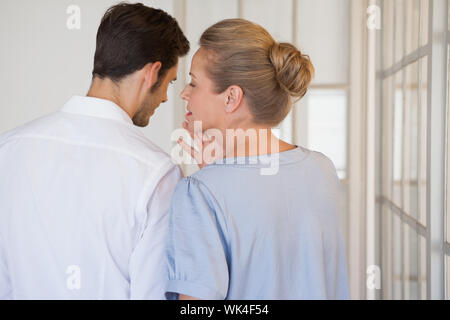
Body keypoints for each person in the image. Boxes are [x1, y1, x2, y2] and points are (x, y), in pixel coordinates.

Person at [0, 3, 189, 299]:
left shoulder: (9, 149)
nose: (166, 97)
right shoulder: (158, 173)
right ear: (152, 73)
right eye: (170, 82)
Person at [166, 18, 349, 300]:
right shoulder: (322, 169)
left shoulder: (200, 193)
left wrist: (210, 182)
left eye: (193, 82)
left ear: (231, 98)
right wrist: (215, 174)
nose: (184, 93)